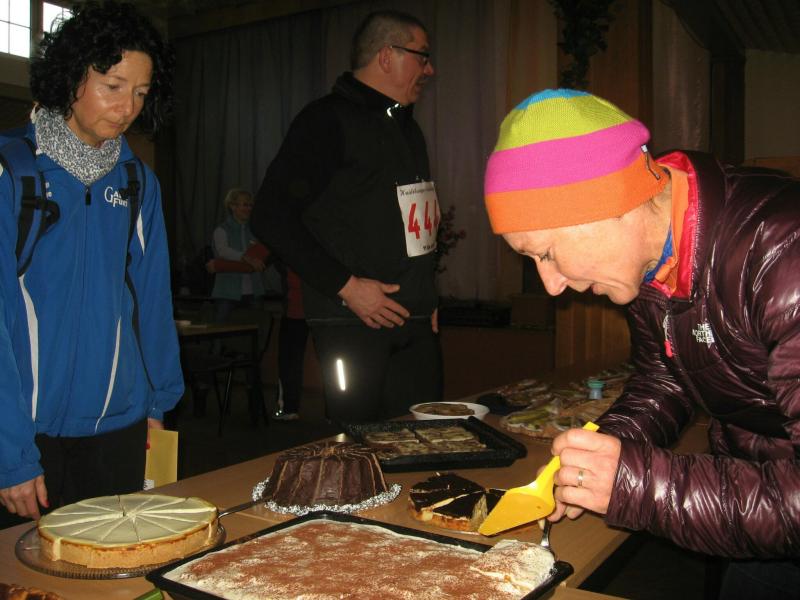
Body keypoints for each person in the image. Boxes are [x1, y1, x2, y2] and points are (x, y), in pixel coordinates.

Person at [483, 88, 800, 598]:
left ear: (609, 202)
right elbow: (665, 380)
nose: (551, 286)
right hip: (764, 514)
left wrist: (635, 485)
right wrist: (597, 457)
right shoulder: (654, 258)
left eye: (546, 253)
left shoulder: (785, 254)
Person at [0, 1, 182, 526]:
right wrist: (11, 453)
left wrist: (157, 406)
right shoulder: (13, 172)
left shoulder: (138, 182)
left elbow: (152, 300)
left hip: (120, 428)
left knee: (117, 565)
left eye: (141, 92)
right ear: (71, 76)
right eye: (113, 85)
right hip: (28, 434)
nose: (127, 108)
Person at [252, 10, 442, 422]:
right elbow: (269, 215)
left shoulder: (407, 128)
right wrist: (347, 287)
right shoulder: (325, 121)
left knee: (425, 440)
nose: (429, 69)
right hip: (353, 323)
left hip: (415, 320)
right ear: (387, 55)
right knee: (359, 447)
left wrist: (425, 292)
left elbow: (417, 219)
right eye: (422, 56)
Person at [207, 188, 274, 323]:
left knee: (256, 329)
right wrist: (247, 259)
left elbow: (263, 257)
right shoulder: (221, 230)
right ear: (232, 206)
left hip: (254, 291)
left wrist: (221, 265)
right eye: (244, 204)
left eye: (250, 205)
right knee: (220, 330)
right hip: (227, 292)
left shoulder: (256, 231)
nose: (248, 208)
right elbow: (223, 251)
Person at [272, 266, 309, 422]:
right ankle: (336, 412)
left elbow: (256, 261)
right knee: (330, 360)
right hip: (321, 309)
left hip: (295, 311)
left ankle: (288, 408)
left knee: (289, 361)